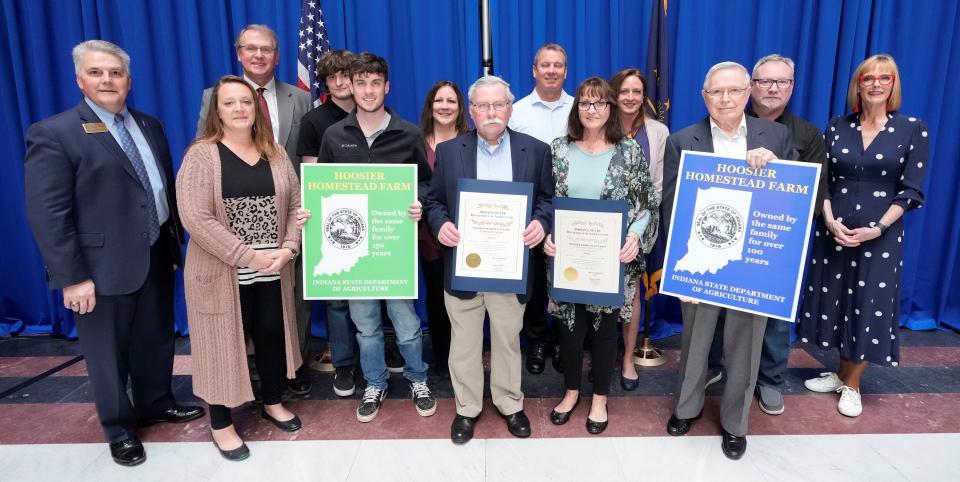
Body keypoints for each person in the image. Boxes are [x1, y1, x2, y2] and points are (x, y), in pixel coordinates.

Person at [24, 40, 203, 467]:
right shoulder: (55, 132)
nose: (108, 80)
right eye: (97, 72)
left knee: (155, 339)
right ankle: (120, 430)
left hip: (156, 252)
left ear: (129, 79)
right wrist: (72, 277)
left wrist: (176, 243)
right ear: (79, 80)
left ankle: (156, 403)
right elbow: (48, 213)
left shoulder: (149, 124)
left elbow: (160, 188)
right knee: (107, 354)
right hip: (98, 269)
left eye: (115, 73)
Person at [661, 61, 795, 460]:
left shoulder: (777, 136)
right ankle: (686, 409)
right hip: (702, 262)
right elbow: (672, 208)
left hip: (753, 263)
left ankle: (736, 424)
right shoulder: (683, 140)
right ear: (704, 97)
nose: (725, 98)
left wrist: (775, 167)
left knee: (745, 346)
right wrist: (680, 274)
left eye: (734, 91)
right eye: (716, 92)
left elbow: (791, 200)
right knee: (695, 341)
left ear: (748, 93)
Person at [177, 75, 304, 461]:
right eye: (229, 103)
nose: (238, 109)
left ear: (256, 108)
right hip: (222, 269)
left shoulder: (275, 152)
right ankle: (221, 422)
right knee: (221, 342)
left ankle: (271, 400)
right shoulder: (202, 155)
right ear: (217, 110)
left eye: (245, 102)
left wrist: (288, 249)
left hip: (272, 266)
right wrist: (248, 255)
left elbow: (297, 205)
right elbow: (195, 218)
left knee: (269, 334)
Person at [425, 75, 554, 444]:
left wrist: (539, 224)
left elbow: (546, 199)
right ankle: (467, 408)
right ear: (473, 111)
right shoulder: (450, 151)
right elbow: (434, 201)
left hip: (510, 268)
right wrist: (442, 225)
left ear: (510, 109)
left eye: (498, 104)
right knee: (463, 344)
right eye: (483, 105)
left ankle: (510, 403)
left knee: (507, 341)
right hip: (464, 267)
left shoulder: (536, 150)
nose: (491, 112)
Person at [799, 54, 929, 418]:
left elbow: (911, 191)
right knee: (837, 301)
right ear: (858, 85)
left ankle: (853, 384)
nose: (874, 83)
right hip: (835, 233)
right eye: (867, 78)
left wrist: (878, 228)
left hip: (880, 238)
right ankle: (840, 373)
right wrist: (829, 220)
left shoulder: (912, 129)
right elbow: (822, 181)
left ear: (893, 84)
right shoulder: (837, 126)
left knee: (868, 304)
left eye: (882, 78)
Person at [704, 54, 829, 416]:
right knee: (716, 303)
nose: (773, 89)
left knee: (772, 315)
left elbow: (814, 192)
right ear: (751, 88)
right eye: (765, 82)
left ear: (792, 86)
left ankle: (770, 380)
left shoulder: (805, 134)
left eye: (782, 82)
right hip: (725, 232)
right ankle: (714, 367)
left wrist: (779, 168)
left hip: (771, 239)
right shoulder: (722, 125)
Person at [316, 52, 436, 423]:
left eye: (375, 83)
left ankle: (417, 377)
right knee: (366, 325)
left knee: (406, 321)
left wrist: (418, 204)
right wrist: (312, 213)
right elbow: (323, 189)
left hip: (394, 246)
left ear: (387, 86)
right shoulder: (334, 136)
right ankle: (375, 381)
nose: (368, 91)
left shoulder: (409, 133)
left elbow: (426, 184)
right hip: (353, 252)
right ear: (349, 87)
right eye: (361, 83)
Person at [196, 24, 313, 397]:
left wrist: (290, 242)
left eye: (267, 49)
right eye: (251, 48)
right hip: (229, 244)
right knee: (231, 322)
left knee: (281, 313)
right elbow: (202, 185)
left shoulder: (300, 97)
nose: (259, 55)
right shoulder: (208, 122)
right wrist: (245, 253)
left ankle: (285, 378)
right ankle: (236, 389)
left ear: (277, 56)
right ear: (240, 53)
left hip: (282, 230)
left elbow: (301, 168)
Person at [543, 77, 658, 434]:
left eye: (600, 103)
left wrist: (635, 236)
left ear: (610, 109)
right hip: (568, 259)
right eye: (585, 103)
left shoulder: (629, 151)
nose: (592, 110)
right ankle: (572, 391)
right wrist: (546, 233)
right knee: (570, 329)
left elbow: (646, 206)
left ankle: (600, 398)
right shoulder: (558, 149)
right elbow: (545, 203)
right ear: (576, 108)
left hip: (610, 261)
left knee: (606, 330)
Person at [297, 49, 360, 394]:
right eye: (331, 77)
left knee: (376, 290)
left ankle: (375, 353)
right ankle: (344, 364)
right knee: (336, 299)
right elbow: (311, 176)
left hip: (374, 215)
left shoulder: (377, 113)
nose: (339, 83)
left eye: (345, 75)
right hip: (333, 217)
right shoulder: (315, 121)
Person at [509, 43, 574, 374]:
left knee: (567, 278)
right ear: (534, 70)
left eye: (558, 65)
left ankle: (564, 340)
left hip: (573, 209)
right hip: (532, 210)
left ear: (565, 70)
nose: (551, 70)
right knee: (533, 282)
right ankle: (536, 340)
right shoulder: (516, 112)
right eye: (545, 65)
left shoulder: (580, 110)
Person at [609, 68, 670, 390]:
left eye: (636, 91)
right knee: (599, 292)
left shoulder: (658, 132)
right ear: (614, 94)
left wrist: (634, 221)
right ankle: (603, 353)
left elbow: (657, 185)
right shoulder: (600, 125)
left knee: (631, 295)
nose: (630, 97)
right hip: (601, 225)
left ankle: (628, 357)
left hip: (640, 226)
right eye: (624, 91)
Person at [418, 80, 471, 377]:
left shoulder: (471, 140)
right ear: (430, 106)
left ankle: (465, 359)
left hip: (467, 235)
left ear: (460, 107)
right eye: (439, 100)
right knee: (437, 299)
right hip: (428, 234)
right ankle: (442, 360)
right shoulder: (416, 140)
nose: (445, 106)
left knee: (466, 302)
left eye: (451, 101)